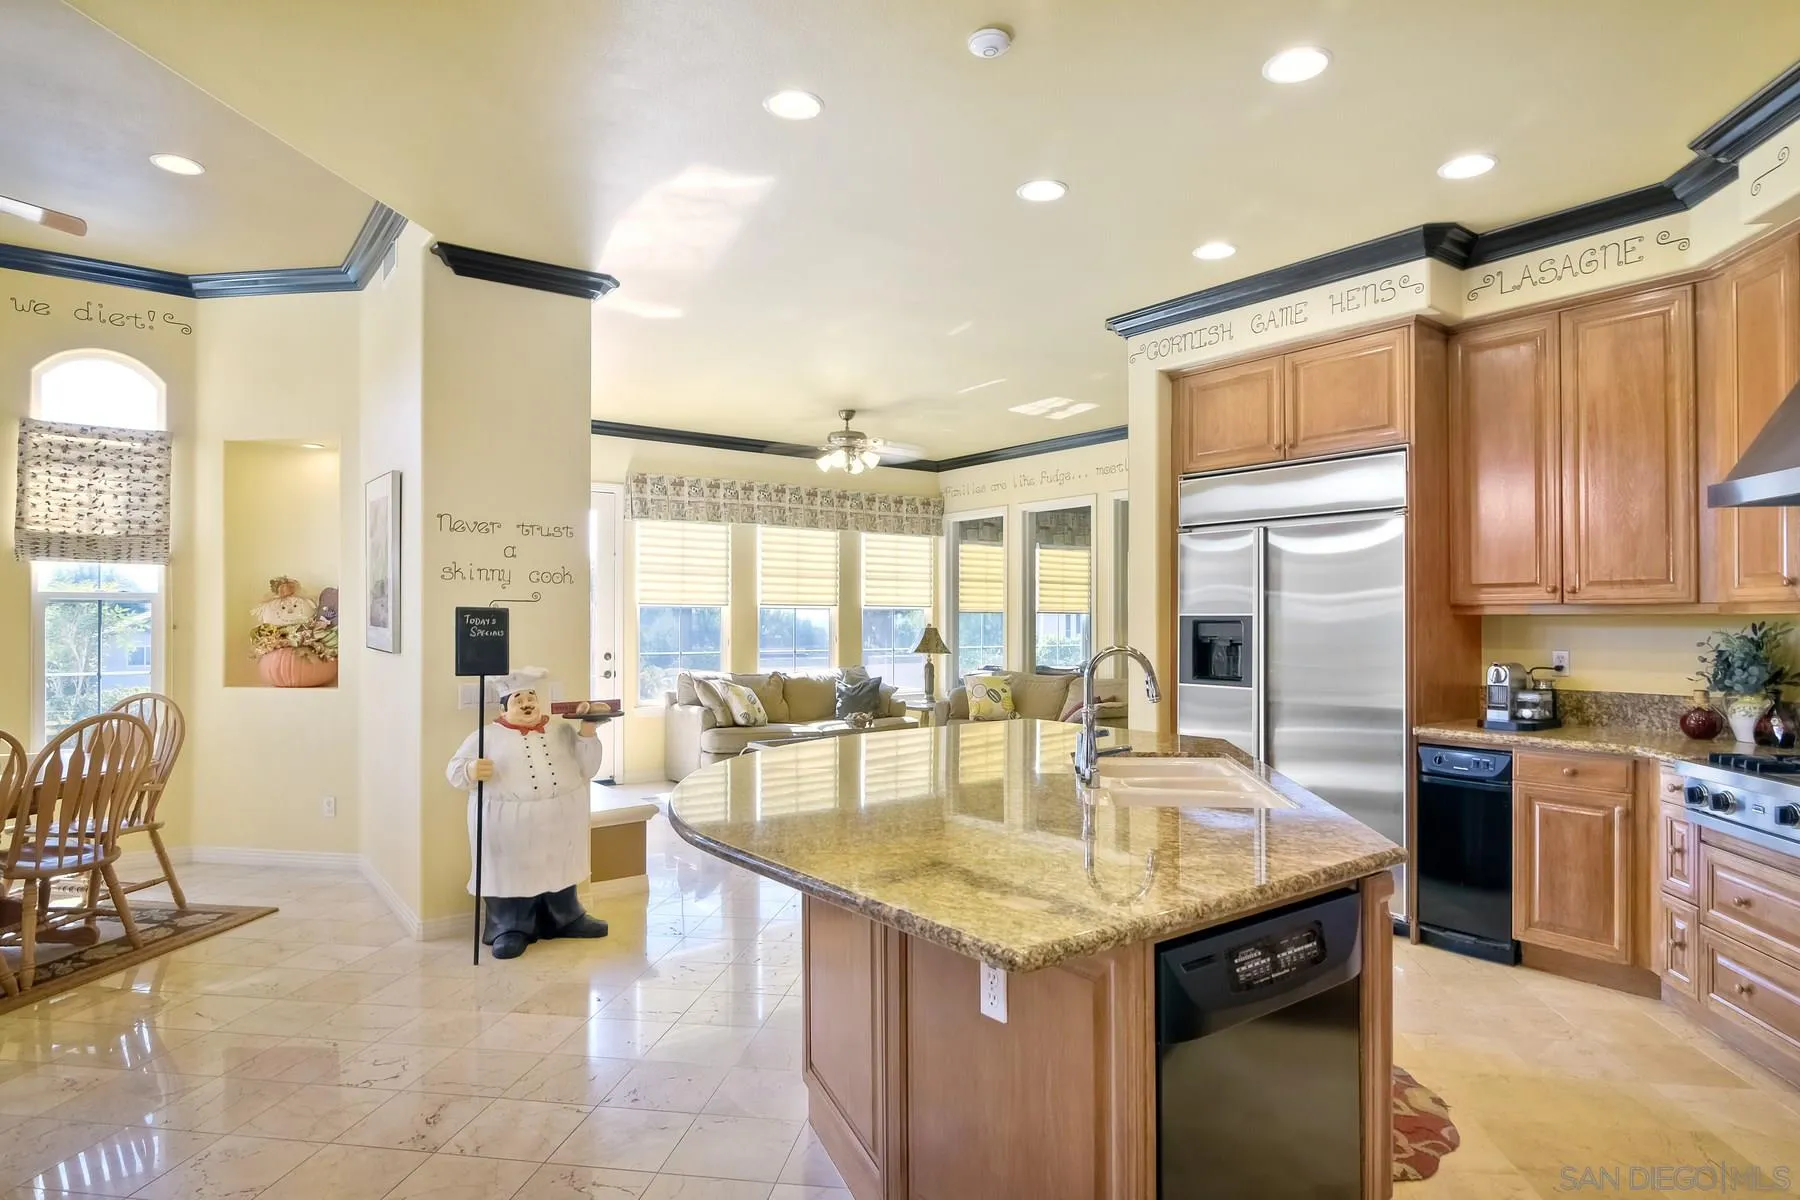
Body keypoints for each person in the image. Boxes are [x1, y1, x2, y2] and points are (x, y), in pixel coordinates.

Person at [445, 667, 609, 959]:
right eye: (518, 699)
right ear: (505, 706)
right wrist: (470, 770)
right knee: (513, 870)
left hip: (560, 820)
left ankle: (566, 916)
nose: (526, 704)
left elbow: (588, 768)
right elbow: (455, 770)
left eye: (530, 697)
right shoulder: (487, 736)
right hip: (511, 822)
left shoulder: (560, 729)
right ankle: (510, 926)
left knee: (559, 865)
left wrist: (588, 732)